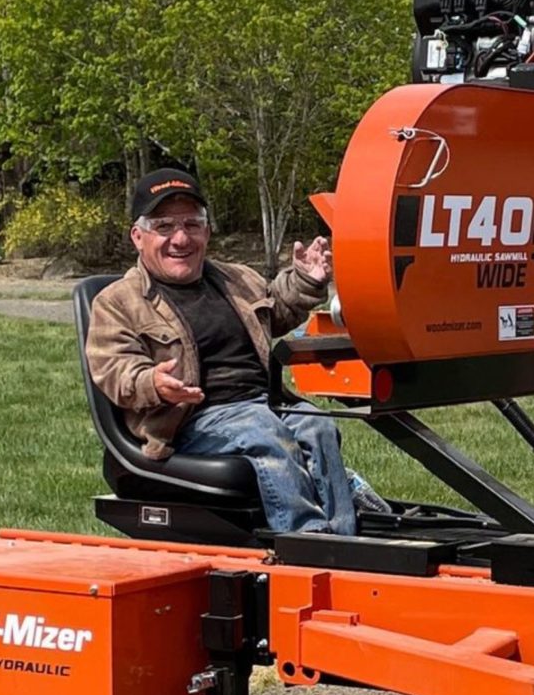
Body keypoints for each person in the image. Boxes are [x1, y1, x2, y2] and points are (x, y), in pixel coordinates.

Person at [85, 168, 384, 535]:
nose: (181, 238)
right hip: (190, 420)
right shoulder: (116, 302)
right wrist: (154, 384)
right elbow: (113, 369)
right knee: (262, 430)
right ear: (138, 236)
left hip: (262, 402)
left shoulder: (236, 279)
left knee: (316, 423)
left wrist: (305, 279)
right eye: (164, 227)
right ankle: (305, 540)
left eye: (192, 225)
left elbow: (276, 311)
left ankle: (344, 539)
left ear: (207, 232)